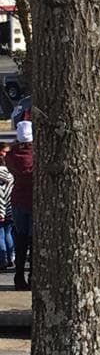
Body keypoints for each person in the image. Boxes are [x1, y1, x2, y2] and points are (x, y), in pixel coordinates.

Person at [7, 122, 33, 290]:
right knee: (34, 241)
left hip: (17, 200)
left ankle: (18, 276)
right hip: (34, 201)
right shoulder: (36, 156)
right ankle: (33, 275)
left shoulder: (11, 157)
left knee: (20, 240)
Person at [0, 144, 14, 270]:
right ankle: (11, 257)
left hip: (0, 208)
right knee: (8, 233)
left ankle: (2, 259)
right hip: (9, 207)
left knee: (0, 235)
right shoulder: (10, 173)